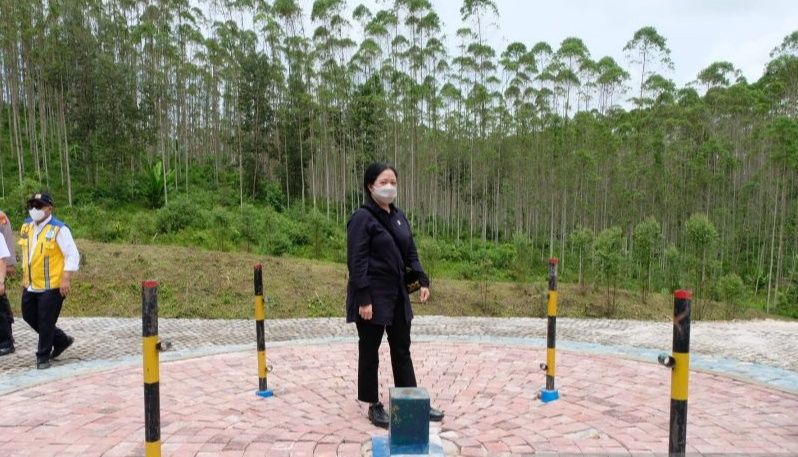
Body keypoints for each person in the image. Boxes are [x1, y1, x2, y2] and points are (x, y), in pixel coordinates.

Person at [346, 162, 444, 428]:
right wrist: (363, 299)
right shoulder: (362, 218)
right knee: (370, 350)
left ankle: (410, 400)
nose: (389, 187)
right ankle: (373, 405)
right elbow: (356, 261)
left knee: (402, 348)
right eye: (383, 182)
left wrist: (421, 281)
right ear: (370, 186)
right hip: (372, 294)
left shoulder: (399, 216)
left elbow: (409, 252)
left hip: (398, 293)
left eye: (393, 182)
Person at [19, 192, 80, 369]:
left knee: (46, 321)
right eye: (31, 205)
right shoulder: (26, 226)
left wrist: (66, 279)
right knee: (28, 316)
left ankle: (43, 357)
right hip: (31, 284)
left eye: (38, 206)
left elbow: (72, 254)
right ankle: (61, 340)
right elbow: (28, 254)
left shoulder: (59, 229)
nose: (34, 209)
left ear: (49, 209)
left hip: (52, 286)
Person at [0, 209, 16, 356]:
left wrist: (10, 263)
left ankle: (6, 339)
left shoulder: (1, 216)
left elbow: (6, 238)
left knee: (1, 304)